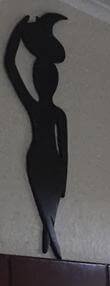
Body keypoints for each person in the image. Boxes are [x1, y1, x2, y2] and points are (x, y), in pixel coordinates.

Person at [4, 13, 68, 260]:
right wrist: (18, 31)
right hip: (41, 161)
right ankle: (53, 245)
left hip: (51, 164)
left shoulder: (52, 112)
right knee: (46, 210)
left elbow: (65, 149)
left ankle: (48, 238)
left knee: (50, 210)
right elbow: (10, 65)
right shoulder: (39, 107)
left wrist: (63, 183)